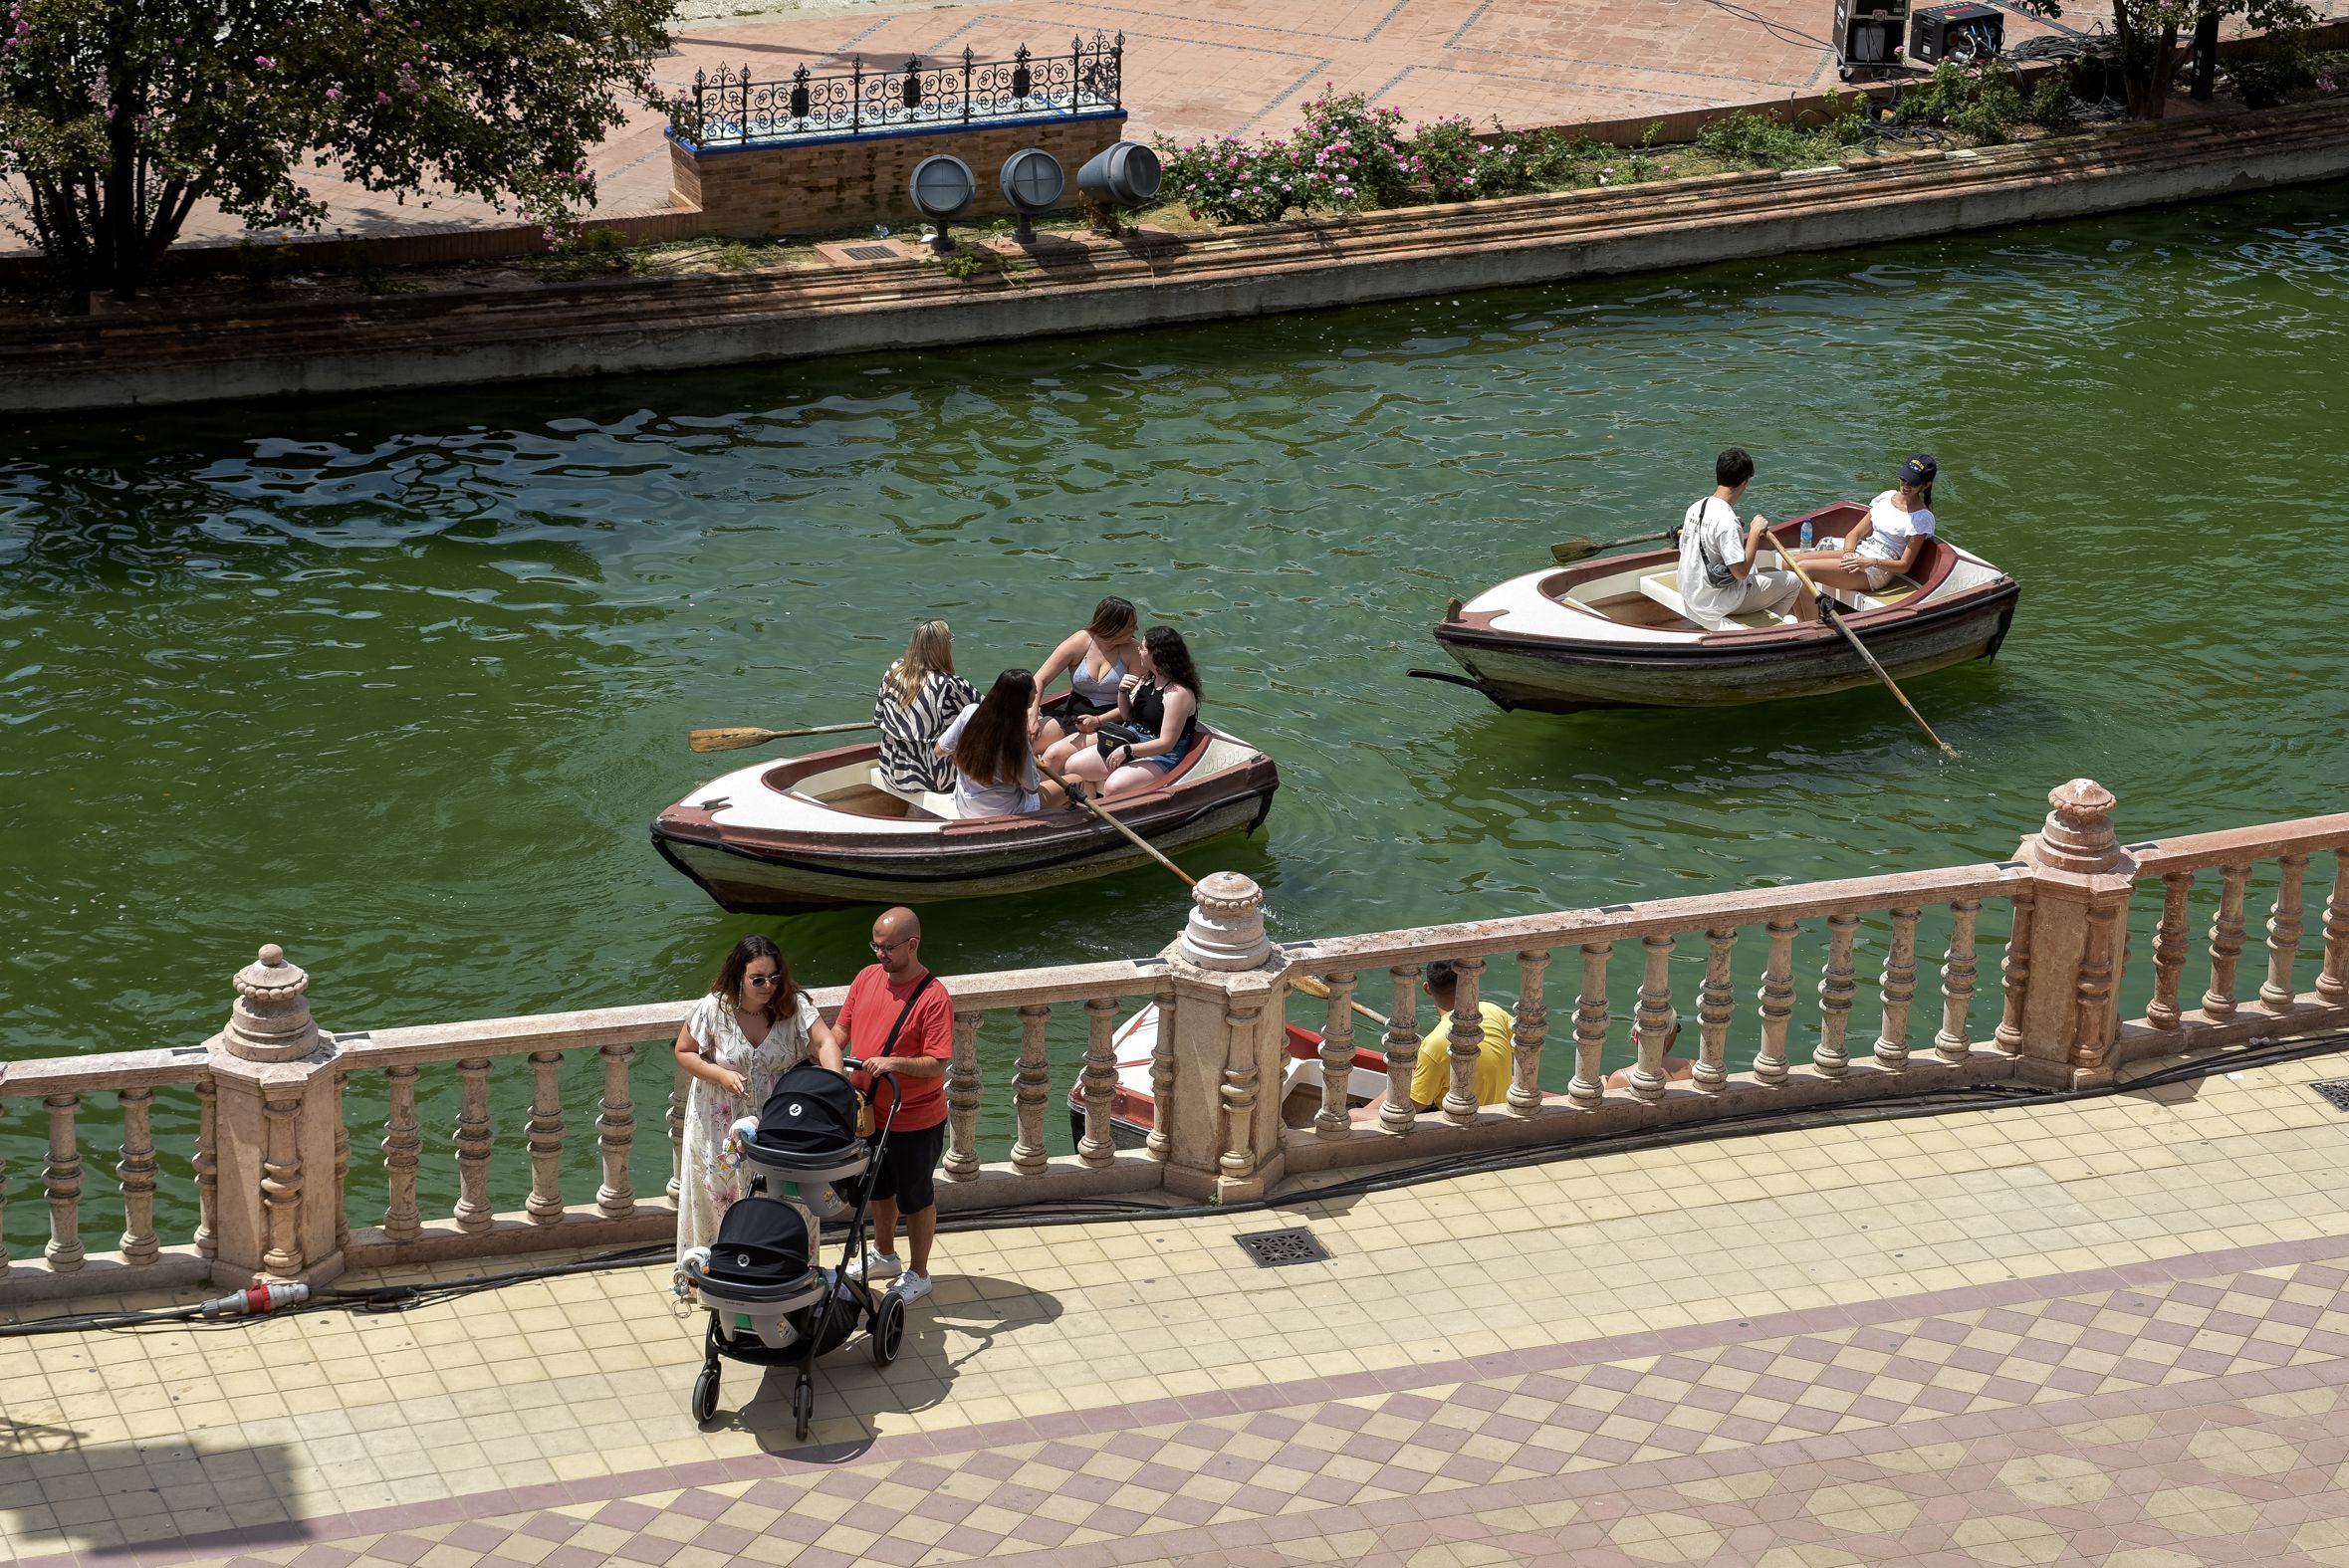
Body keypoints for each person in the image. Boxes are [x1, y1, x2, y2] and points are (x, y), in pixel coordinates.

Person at [671, 935, 841, 1259]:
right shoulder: (713, 1008)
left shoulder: (794, 1006)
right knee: (721, 1199)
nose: (768, 986)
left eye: (774, 978)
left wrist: (836, 1090)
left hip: (778, 1124)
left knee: (784, 1202)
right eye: (758, 979)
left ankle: (784, 1277)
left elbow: (825, 1044)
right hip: (718, 1127)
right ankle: (719, 1277)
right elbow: (684, 1051)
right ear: (739, 976)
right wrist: (720, 1074)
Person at [837, 907, 955, 1302]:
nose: (879, 955)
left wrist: (893, 1064)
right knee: (877, 1189)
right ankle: (884, 1254)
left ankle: (919, 1273)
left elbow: (936, 1063)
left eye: (887, 948)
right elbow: (842, 1029)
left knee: (916, 1197)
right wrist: (824, 1054)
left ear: (912, 945)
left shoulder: (934, 998)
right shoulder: (867, 977)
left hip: (915, 1119)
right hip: (868, 1114)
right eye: (875, 945)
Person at [1352, 960, 1515, 1123]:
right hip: (1502, 1112)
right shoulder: (1493, 1011)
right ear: (1469, 981)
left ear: (1427, 988)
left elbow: (1405, 1109)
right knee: (1412, 1077)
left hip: (1465, 1126)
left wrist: (1361, 1113)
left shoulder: (1434, 1044)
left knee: (1353, 1115)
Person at [1676, 447, 1818, 629]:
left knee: (1756, 569)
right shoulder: (1727, 521)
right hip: (1715, 602)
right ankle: (1767, 629)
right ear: (1745, 482)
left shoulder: (1695, 507)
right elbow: (1740, 573)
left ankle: (1762, 617)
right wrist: (1754, 533)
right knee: (1795, 580)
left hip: (1690, 592)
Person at [1055, 625, 1202, 796]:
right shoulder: (1148, 679)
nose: (1138, 649)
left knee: (1114, 786)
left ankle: (1110, 814)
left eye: (1143, 647)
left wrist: (1128, 750)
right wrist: (1122, 692)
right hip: (1132, 737)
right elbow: (1127, 716)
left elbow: (1166, 743)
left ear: (1157, 655)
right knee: (1074, 766)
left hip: (1162, 754)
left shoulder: (1178, 694)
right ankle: (1090, 810)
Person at [1794, 454, 1940, 595]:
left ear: (1926, 485)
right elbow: (1854, 534)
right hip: (1861, 551)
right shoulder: (1886, 497)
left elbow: (1904, 565)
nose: (1906, 485)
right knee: (1790, 563)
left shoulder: (1922, 518)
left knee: (1804, 568)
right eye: (1904, 479)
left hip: (1879, 568)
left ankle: (1812, 619)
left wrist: (1871, 562)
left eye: (1913, 483)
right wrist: (1848, 552)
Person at [935, 669, 1067, 817]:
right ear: (1022, 698)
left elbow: (939, 750)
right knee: (1076, 780)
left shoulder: (970, 712)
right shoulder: (1017, 739)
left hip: (965, 805)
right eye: (1033, 691)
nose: (1037, 693)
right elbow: (1032, 788)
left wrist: (970, 754)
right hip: (1003, 811)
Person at [874, 620, 979, 796]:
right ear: (943, 647)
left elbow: (879, 718)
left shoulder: (894, 671)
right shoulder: (950, 685)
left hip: (890, 765)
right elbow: (990, 713)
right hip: (930, 776)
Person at [1029, 596, 1143, 753]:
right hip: (1073, 712)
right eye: (1131, 626)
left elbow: (1134, 702)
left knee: (1054, 753)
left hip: (1112, 718)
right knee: (1026, 743)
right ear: (1113, 626)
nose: (1136, 630)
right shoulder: (1080, 641)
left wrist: (1098, 721)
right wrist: (1032, 715)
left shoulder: (1134, 651)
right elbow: (1039, 679)